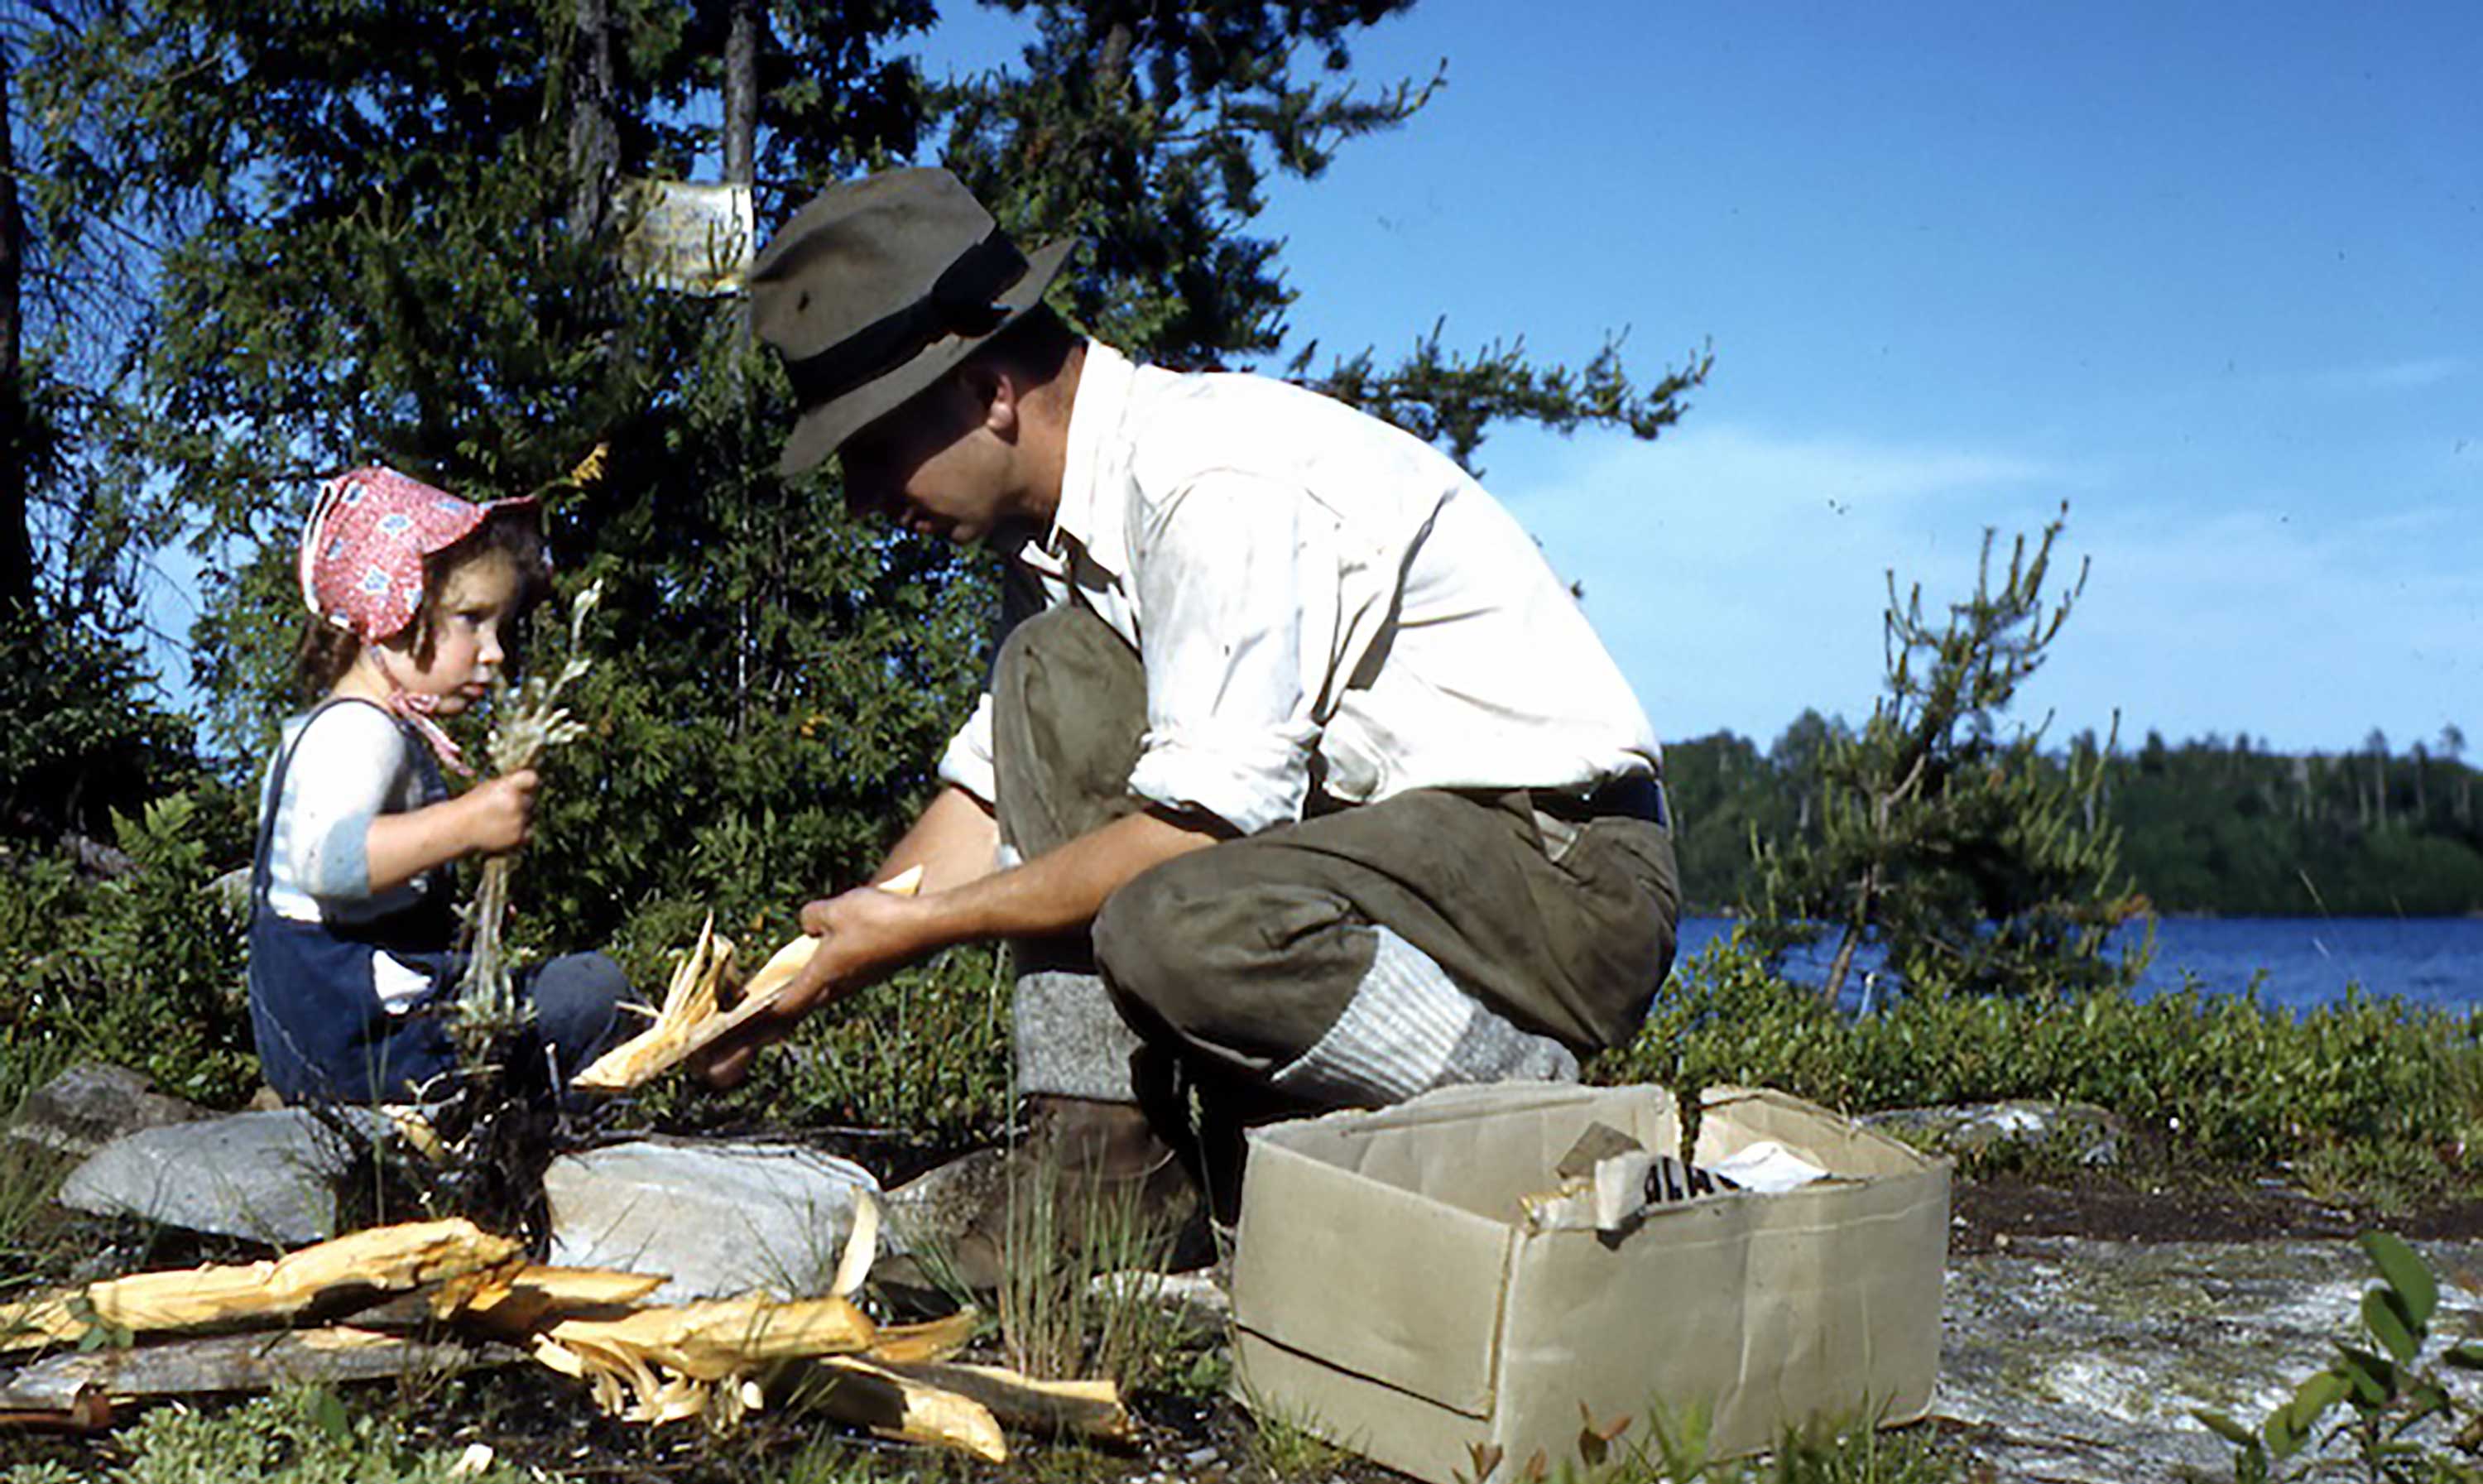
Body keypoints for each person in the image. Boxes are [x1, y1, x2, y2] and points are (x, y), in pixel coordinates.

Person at [721, 168, 1679, 1281]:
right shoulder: (1059, 545)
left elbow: (1195, 844)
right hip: (1382, 857)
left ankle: (1534, 1113)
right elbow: (983, 803)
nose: (863, 500)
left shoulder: (1209, 481)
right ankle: (1107, 1173)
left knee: (1173, 923)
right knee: (1055, 674)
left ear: (988, 391)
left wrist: (932, 931)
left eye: (873, 449)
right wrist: (809, 972)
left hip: (1556, 870)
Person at [247, 464, 633, 1112]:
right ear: (388, 614)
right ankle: (563, 1152)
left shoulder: (357, 729)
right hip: (360, 1038)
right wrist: (465, 824)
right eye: (470, 620)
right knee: (593, 990)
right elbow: (327, 862)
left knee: (548, 994)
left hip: (335, 1029)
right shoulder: (357, 733)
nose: (495, 652)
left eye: (500, 627)